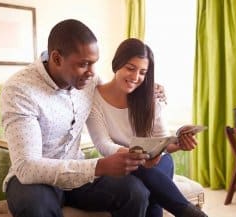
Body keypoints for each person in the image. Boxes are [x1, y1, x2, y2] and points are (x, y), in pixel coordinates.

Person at [0, 19, 161, 217]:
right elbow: (27, 167)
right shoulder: (19, 90)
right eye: (83, 64)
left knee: (135, 192)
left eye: (94, 63)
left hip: (77, 172)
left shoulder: (89, 81)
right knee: (36, 207)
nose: (92, 72)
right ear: (57, 59)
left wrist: (151, 90)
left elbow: (116, 89)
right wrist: (99, 166)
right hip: (34, 180)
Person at [86, 38, 208, 217]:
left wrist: (180, 142)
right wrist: (137, 156)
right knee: (147, 186)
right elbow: (103, 144)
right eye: (130, 68)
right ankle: (186, 211)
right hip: (126, 164)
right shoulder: (95, 98)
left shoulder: (150, 96)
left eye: (143, 72)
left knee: (148, 173)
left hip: (158, 162)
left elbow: (162, 140)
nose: (136, 78)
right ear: (117, 64)